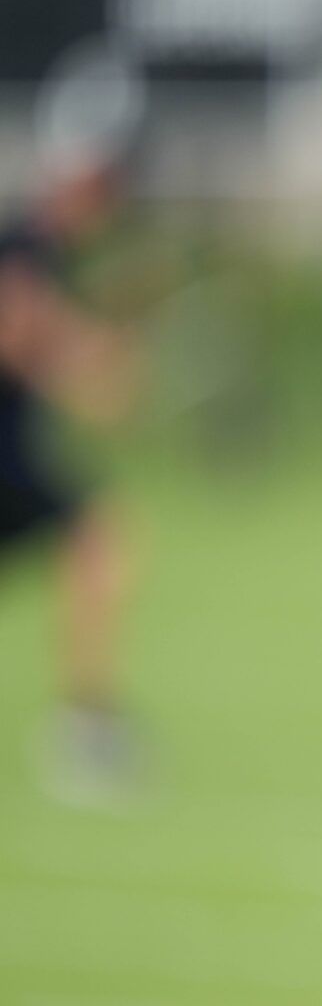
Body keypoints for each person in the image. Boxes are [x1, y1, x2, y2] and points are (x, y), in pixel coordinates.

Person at [0, 156, 140, 801]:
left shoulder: (44, 250)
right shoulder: (26, 242)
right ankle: (84, 728)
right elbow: (16, 334)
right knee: (98, 539)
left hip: (17, 453)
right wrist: (86, 359)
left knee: (96, 540)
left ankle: (86, 722)